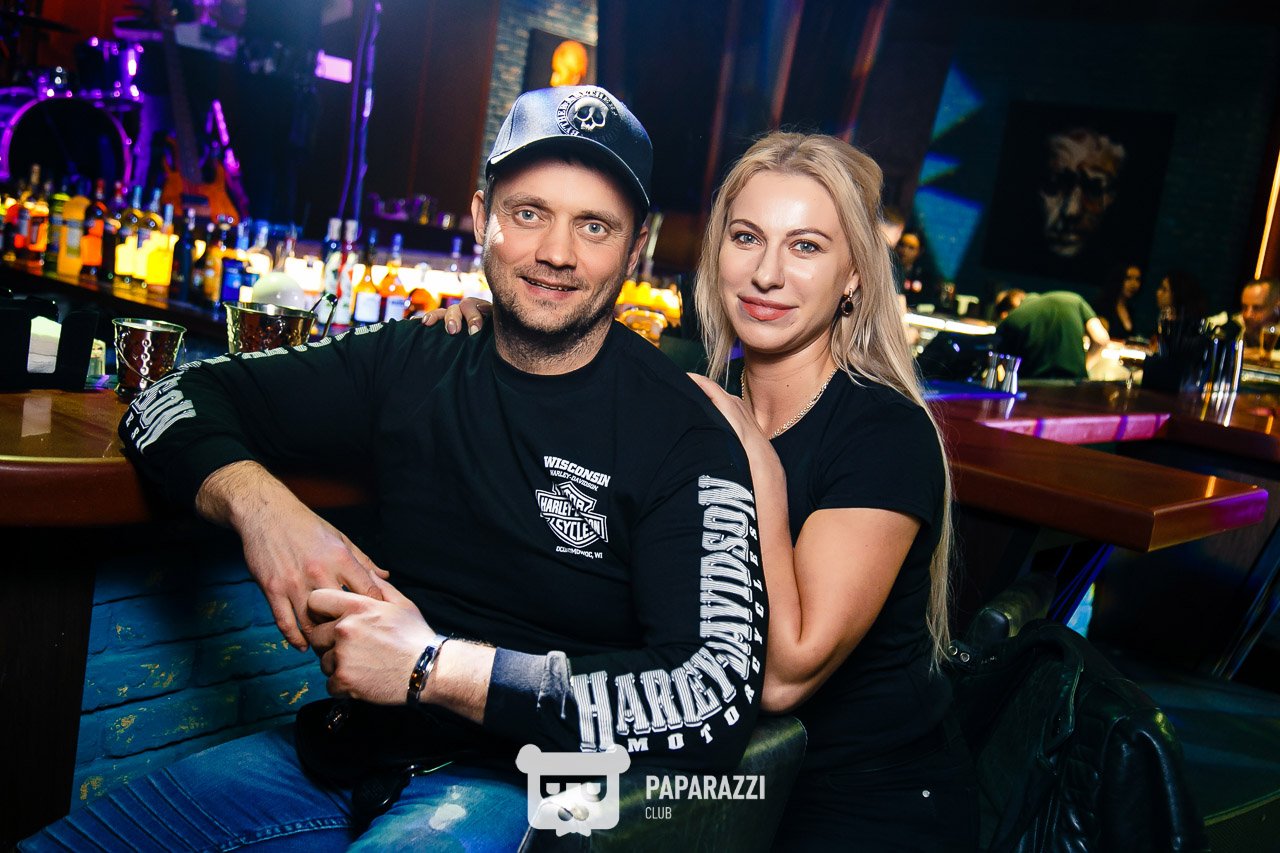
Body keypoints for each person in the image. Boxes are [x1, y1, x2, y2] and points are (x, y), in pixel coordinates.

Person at [21, 86, 766, 849]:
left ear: (636, 247)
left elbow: (713, 693)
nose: (556, 252)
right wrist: (266, 512)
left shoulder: (683, 434)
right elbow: (167, 397)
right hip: (351, 754)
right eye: (528, 213)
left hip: (542, 789)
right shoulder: (418, 356)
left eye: (594, 226)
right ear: (481, 217)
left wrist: (433, 666)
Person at [430, 133, 979, 850]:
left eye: (805, 247)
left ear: (853, 275)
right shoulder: (697, 393)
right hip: (708, 781)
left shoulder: (883, 433)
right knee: (503, 814)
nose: (767, 274)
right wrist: (495, 333)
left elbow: (781, 677)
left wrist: (757, 464)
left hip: (856, 802)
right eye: (746, 237)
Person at [996, 290, 1110, 379]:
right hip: (1075, 387)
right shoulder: (1073, 299)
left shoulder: (1011, 319)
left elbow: (1000, 368)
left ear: (1004, 314)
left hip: (1033, 388)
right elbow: (1101, 339)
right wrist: (1083, 368)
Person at [1093, 263, 1143, 340]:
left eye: (1137, 279)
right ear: (1118, 279)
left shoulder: (1131, 310)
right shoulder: (1103, 307)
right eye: (1128, 278)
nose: (1133, 284)